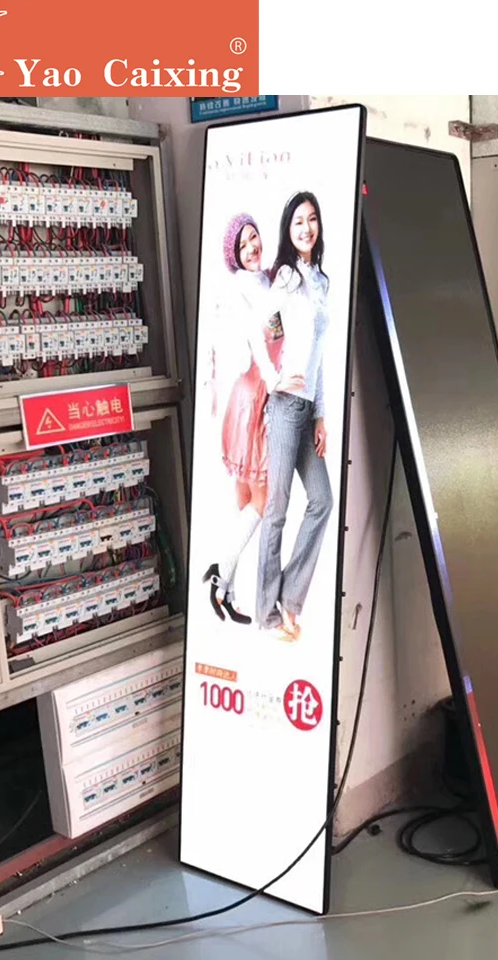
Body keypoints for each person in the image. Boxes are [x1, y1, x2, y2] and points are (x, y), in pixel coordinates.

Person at [202, 213, 300, 624]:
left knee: (245, 501)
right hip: (253, 400)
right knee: (261, 502)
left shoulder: (267, 280)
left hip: (254, 396)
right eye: (242, 245)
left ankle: (228, 592)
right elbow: (256, 345)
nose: (251, 247)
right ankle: (221, 574)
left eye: (253, 237)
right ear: (234, 256)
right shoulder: (243, 289)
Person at [255, 192, 333, 641]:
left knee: (322, 500)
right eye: (298, 221)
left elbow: (319, 356)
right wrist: (274, 379)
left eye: (312, 219)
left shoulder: (320, 280)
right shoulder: (286, 276)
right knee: (278, 510)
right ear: (288, 228)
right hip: (285, 408)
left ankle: (289, 597)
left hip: (307, 411)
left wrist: (321, 415)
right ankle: (267, 612)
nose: (306, 228)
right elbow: (259, 328)